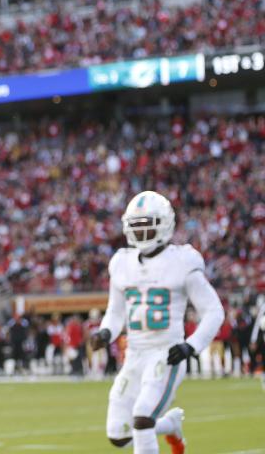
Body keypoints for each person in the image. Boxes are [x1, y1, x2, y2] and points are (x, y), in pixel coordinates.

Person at [90, 191, 225, 454]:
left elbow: (213, 310)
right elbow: (116, 311)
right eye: (136, 226)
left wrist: (191, 346)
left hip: (167, 354)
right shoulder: (122, 262)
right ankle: (171, 425)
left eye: (147, 226)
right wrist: (105, 332)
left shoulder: (181, 260)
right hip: (134, 355)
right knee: (119, 433)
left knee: (142, 418)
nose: (141, 233)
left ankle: (162, 426)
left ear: (164, 224)